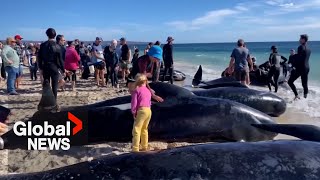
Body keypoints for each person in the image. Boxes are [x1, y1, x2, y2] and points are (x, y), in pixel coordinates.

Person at [38, 28, 65, 101]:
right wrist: (63, 69)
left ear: (47, 35)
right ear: (55, 35)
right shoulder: (57, 46)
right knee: (54, 86)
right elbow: (60, 60)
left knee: (46, 85)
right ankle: (54, 102)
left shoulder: (43, 45)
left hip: (45, 67)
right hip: (54, 67)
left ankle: (47, 101)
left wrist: (40, 68)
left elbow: (39, 57)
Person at [288, 34, 311, 100]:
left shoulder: (300, 47)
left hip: (300, 68)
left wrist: (292, 64)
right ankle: (305, 98)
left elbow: (299, 59)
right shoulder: (309, 49)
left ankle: (296, 95)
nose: (299, 40)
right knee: (304, 84)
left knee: (290, 81)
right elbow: (304, 58)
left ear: (303, 40)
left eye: (300, 39)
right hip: (307, 68)